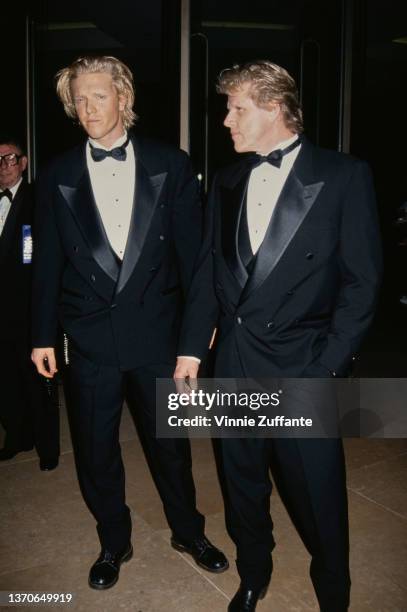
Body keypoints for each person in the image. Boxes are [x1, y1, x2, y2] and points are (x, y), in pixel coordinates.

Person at [175, 60, 382, 611]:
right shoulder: (226, 179)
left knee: (317, 496)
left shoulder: (343, 175)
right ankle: (253, 573)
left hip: (303, 365)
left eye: (236, 108)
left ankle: (333, 589)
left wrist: (327, 369)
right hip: (237, 362)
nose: (226, 121)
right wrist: (193, 349)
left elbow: (362, 285)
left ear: (273, 107)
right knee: (242, 487)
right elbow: (207, 274)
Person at [31, 55, 228, 591]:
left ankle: (188, 531)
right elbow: (48, 261)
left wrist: (193, 344)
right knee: (95, 452)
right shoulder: (56, 174)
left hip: (158, 336)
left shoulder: (172, 164)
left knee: (172, 447)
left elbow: (197, 264)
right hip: (89, 338)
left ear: (124, 97)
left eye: (98, 95)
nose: (87, 108)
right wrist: (42, 335)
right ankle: (113, 540)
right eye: (78, 98)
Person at [0, 136, 59, 470]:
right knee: (5, 383)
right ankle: (17, 438)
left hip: (28, 309)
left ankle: (47, 448)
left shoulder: (37, 200)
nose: (3, 166)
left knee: (38, 383)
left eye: (9, 158)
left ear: (23, 163)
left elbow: (37, 255)